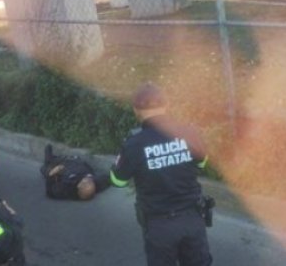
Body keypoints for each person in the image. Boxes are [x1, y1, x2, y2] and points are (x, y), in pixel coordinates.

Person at [110, 83, 212, 266]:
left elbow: (117, 181)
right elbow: (202, 163)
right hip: (192, 217)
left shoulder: (134, 144)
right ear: (167, 105)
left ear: (136, 110)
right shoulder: (188, 132)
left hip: (159, 225)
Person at [40, 144, 110, 201]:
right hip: (76, 161)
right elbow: (107, 178)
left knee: (45, 169)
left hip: (62, 167)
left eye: (86, 183)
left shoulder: (68, 189)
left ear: (78, 186)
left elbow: (50, 193)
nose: (88, 181)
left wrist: (53, 173)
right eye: (90, 183)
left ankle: (49, 160)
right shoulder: (97, 184)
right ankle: (51, 159)